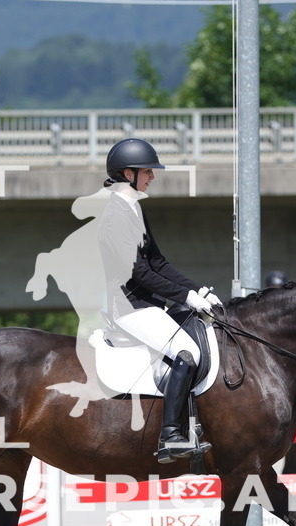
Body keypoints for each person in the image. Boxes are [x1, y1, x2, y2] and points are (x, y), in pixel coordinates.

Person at [97, 138, 222, 464]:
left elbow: (159, 263)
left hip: (146, 303)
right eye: (147, 171)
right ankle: (170, 436)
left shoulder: (133, 209)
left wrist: (199, 290)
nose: (152, 176)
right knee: (187, 351)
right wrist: (185, 296)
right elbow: (138, 272)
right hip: (127, 307)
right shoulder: (114, 216)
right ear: (128, 173)